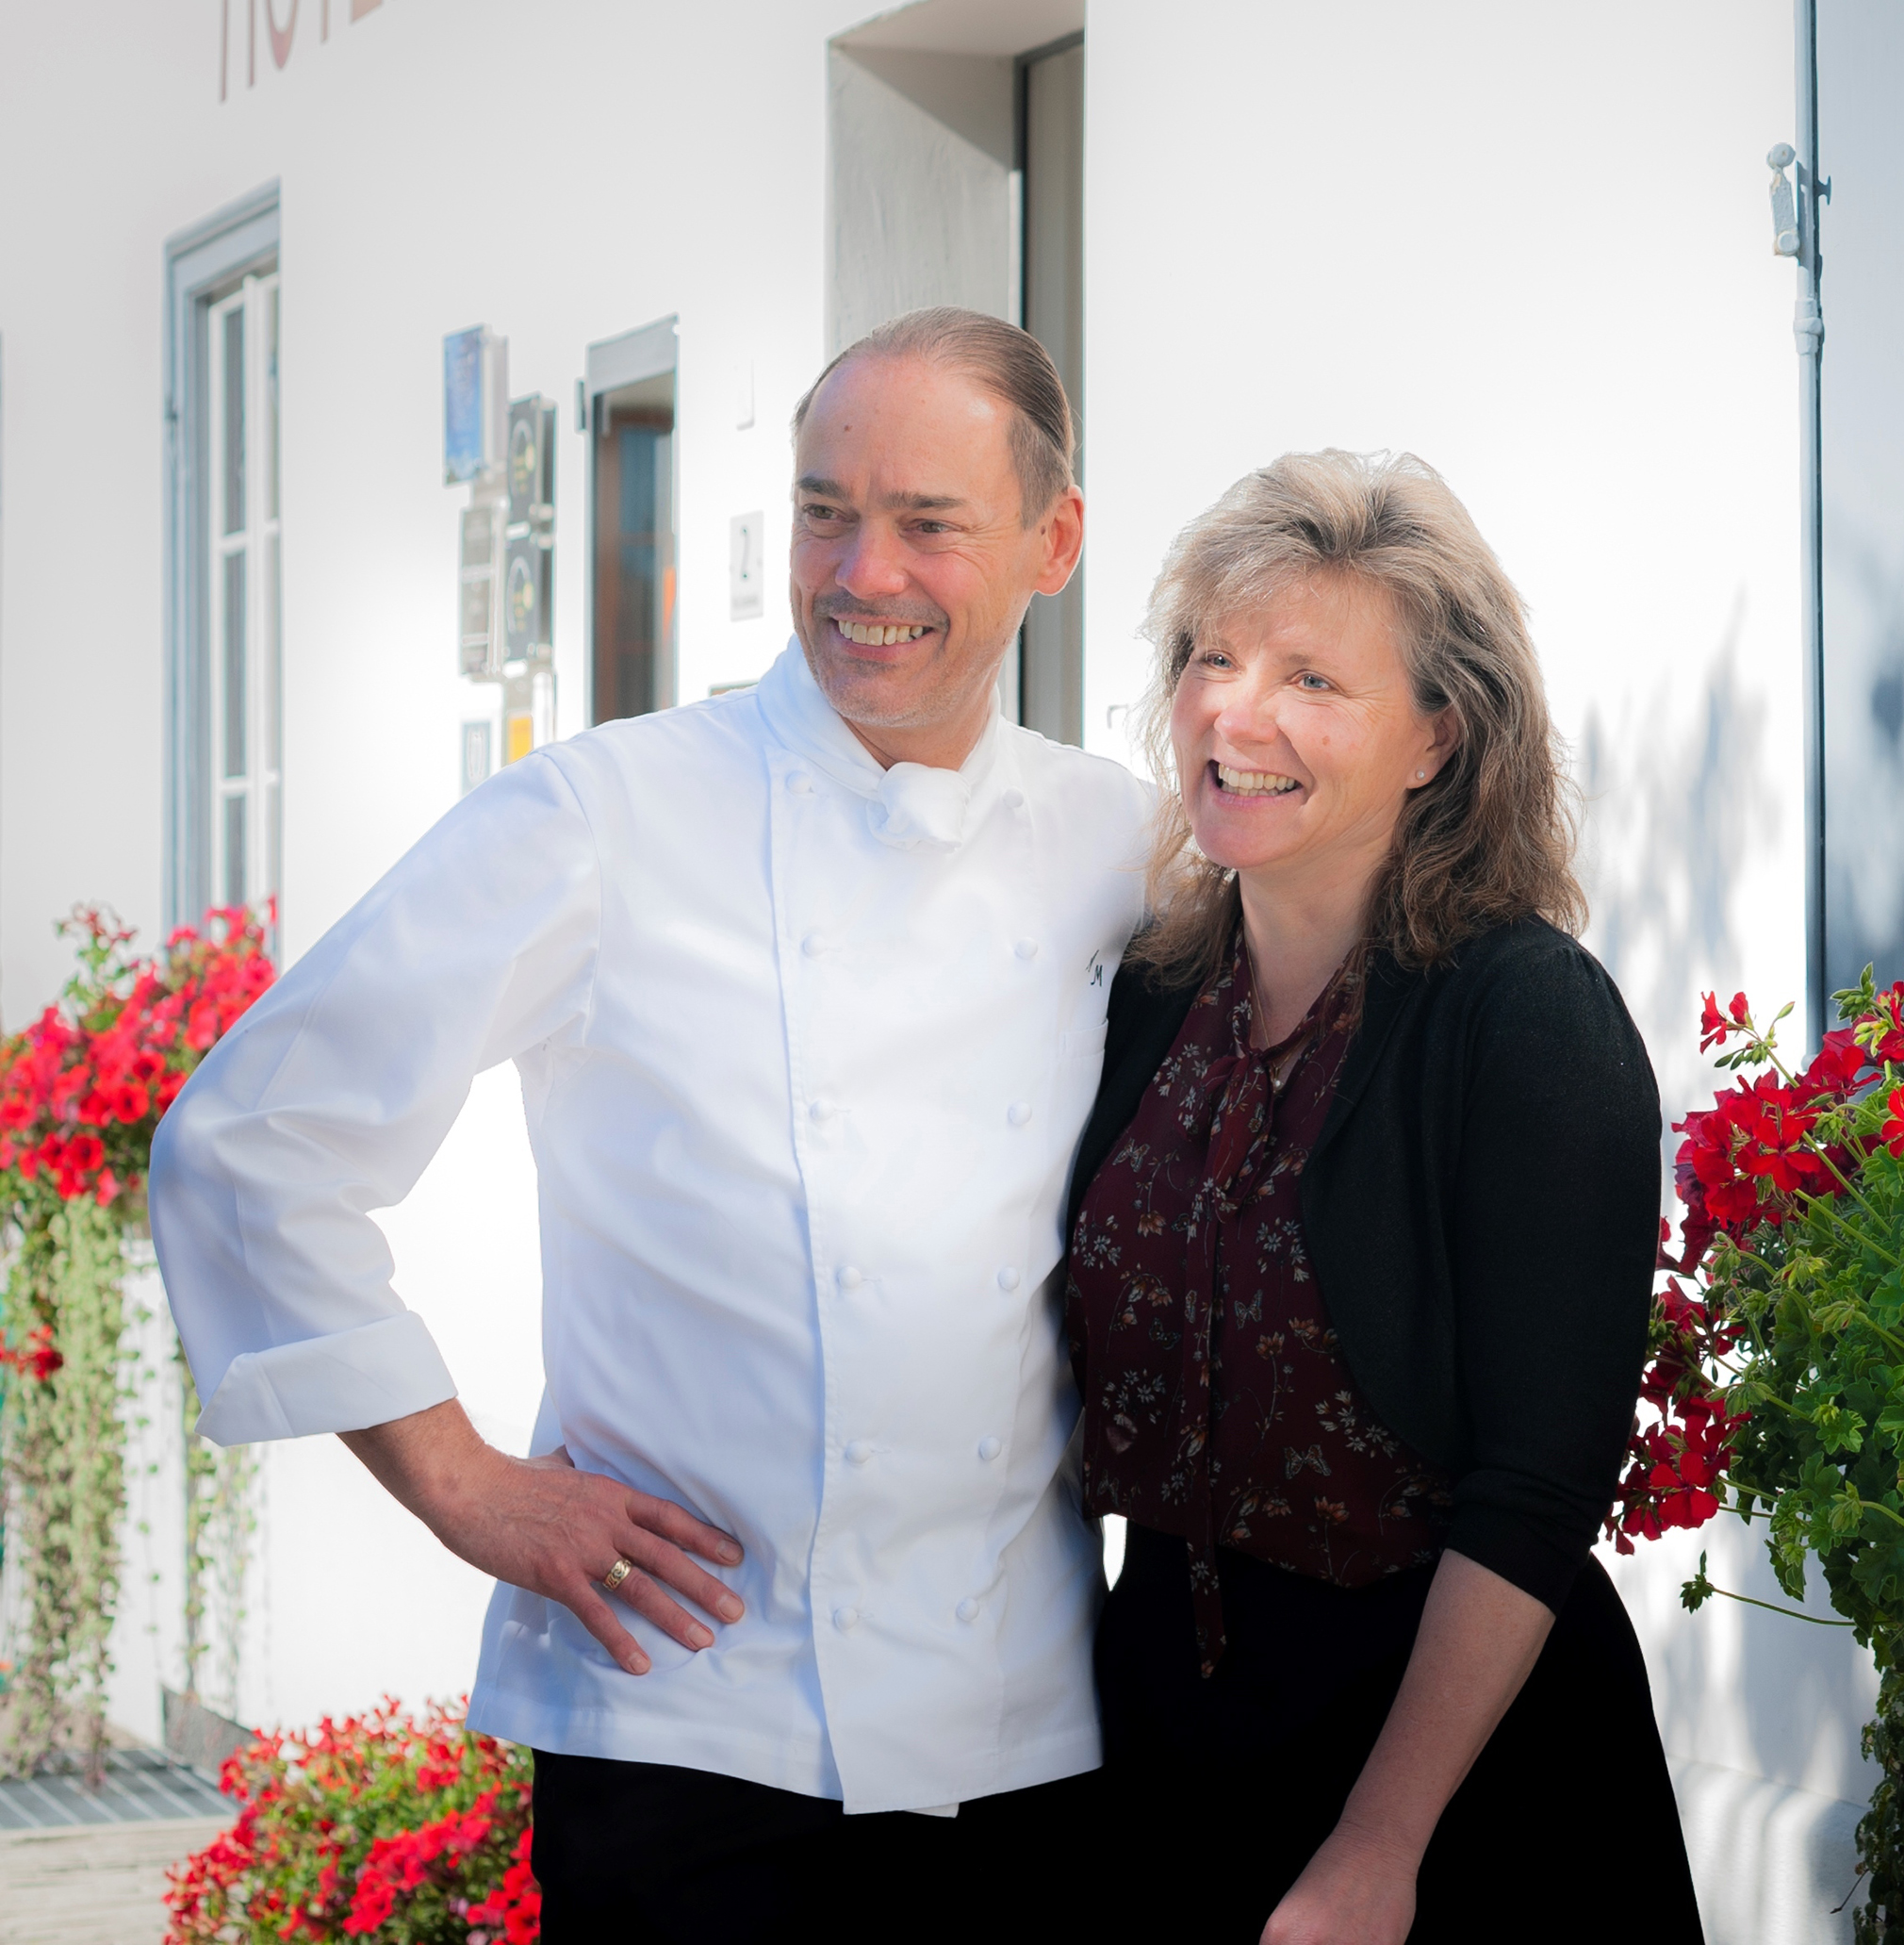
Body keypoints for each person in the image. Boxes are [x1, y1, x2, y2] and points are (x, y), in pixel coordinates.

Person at [149, 307, 1144, 1939]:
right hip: (685, 1723)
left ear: (1054, 541)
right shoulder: (602, 814)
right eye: (826, 508)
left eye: (926, 523)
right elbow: (250, 1142)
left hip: (1020, 1727)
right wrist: (465, 1481)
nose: (858, 571)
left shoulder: (1119, 841)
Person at [1066, 449, 1704, 1943]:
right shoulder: (1147, 994)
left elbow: (1538, 1484)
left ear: (1437, 735)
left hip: (1456, 1791)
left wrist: (1376, 1847)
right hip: (1161, 1747)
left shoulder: (1522, 1017)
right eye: (1211, 659)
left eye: (1310, 679)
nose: (1237, 713)